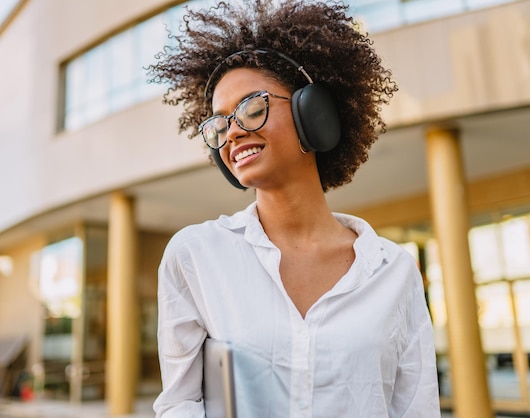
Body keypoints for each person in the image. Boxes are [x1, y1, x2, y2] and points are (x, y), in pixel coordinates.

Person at [148, 0, 440, 417]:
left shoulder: (394, 272)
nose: (232, 132)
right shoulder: (194, 255)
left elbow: (416, 409)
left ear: (312, 112)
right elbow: (179, 403)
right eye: (218, 123)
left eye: (251, 108)